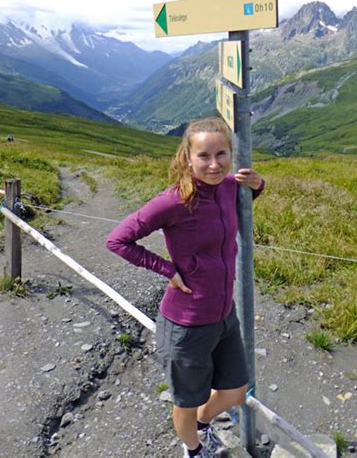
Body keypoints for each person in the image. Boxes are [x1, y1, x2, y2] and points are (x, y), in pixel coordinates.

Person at [106, 117, 264, 457]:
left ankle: (203, 427)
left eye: (221, 154)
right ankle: (193, 449)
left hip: (224, 315)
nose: (213, 164)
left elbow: (232, 218)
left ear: (230, 154)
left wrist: (258, 185)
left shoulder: (229, 188)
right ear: (187, 157)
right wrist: (166, 269)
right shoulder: (173, 201)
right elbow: (118, 240)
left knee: (236, 391)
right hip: (187, 323)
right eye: (203, 156)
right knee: (186, 402)